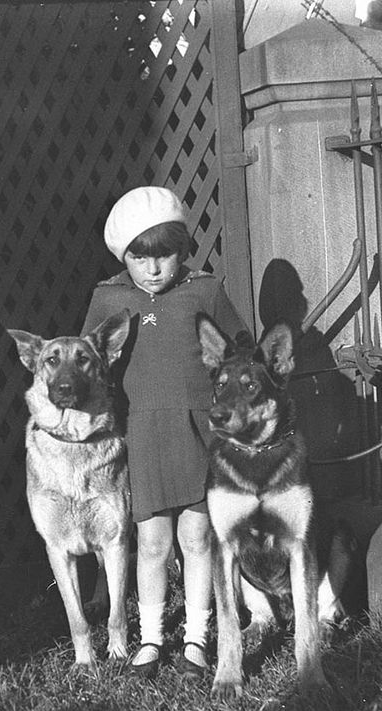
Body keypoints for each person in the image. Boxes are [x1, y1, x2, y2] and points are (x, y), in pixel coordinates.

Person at [80, 186, 247, 680]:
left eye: (164, 255)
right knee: (152, 544)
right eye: (140, 257)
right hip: (143, 433)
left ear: (183, 251)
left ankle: (196, 639)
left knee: (197, 538)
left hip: (198, 432)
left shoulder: (205, 291)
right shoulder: (109, 298)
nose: (153, 269)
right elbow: (90, 362)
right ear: (123, 256)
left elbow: (238, 350)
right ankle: (150, 639)